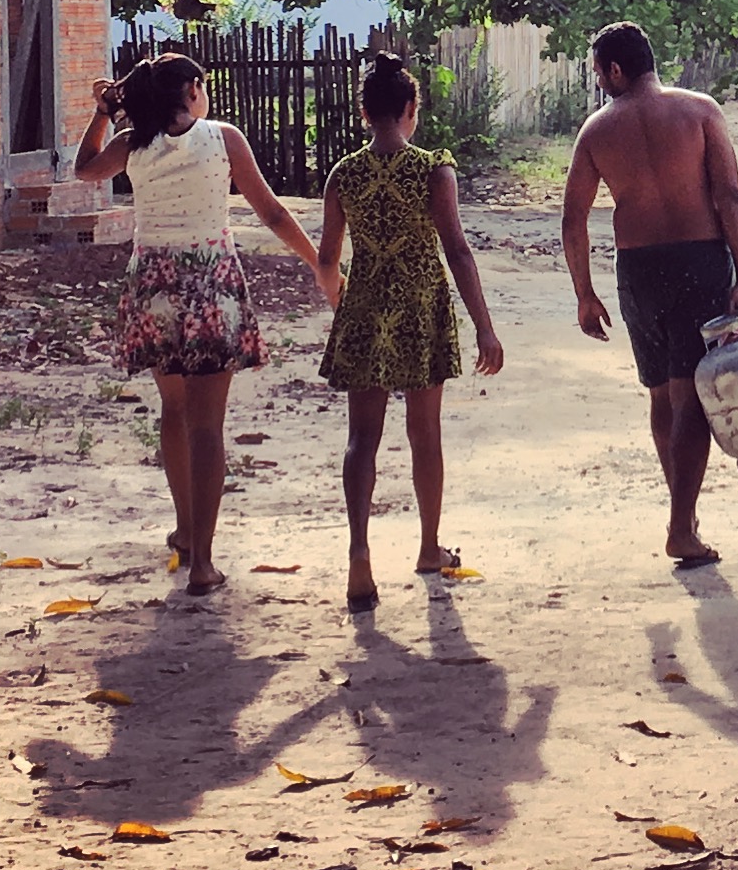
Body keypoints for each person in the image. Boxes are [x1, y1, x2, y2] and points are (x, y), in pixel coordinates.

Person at [77, 54, 330, 595]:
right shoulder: (224, 139)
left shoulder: (132, 144)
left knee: (173, 410)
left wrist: (101, 113)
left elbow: (84, 170)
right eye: (204, 87)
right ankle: (203, 564)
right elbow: (273, 214)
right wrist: (320, 265)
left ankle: (187, 533)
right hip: (213, 283)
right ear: (192, 90)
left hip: (154, 286)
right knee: (208, 426)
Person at [562, 22, 738, 569]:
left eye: (598, 71)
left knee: (659, 396)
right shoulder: (700, 111)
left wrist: (585, 292)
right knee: (689, 396)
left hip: (639, 270)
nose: (599, 81)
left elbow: (572, 217)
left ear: (615, 70)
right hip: (699, 260)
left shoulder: (597, 130)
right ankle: (681, 526)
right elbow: (730, 196)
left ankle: (683, 515)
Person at [317, 51, 505, 612]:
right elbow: (458, 252)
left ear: (363, 112)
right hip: (422, 308)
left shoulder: (342, 174)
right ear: (409, 109)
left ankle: (358, 554)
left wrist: (341, 303)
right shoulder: (434, 168)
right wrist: (485, 329)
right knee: (425, 433)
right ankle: (427, 547)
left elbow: (329, 257)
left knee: (361, 439)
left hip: (366, 305)